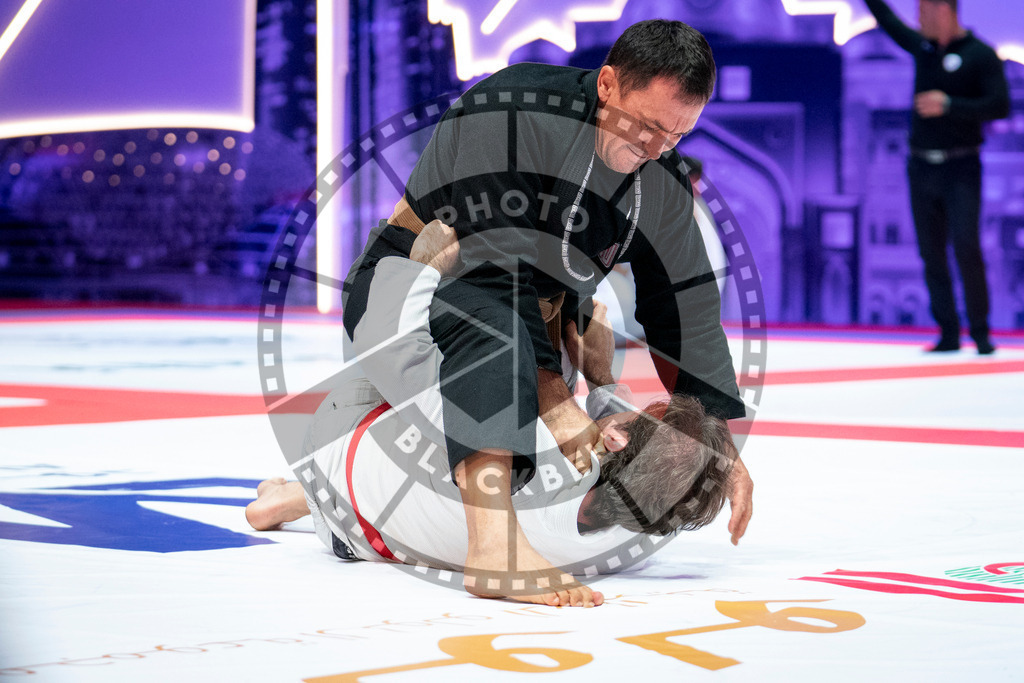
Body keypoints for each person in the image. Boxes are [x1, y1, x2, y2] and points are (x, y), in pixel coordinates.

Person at [341, 20, 753, 583]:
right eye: (649, 128)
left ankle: (308, 495)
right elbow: (493, 267)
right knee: (501, 342)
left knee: (561, 434)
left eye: (677, 137)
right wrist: (557, 400)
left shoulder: (660, 174)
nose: (657, 150)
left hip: (541, 317)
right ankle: (492, 547)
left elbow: (684, 307)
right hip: (429, 277)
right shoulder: (511, 109)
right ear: (607, 84)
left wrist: (718, 443)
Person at [249, 222, 735, 608]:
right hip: (351, 539)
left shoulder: (517, 440)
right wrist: (604, 383)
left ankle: (306, 487)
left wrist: (424, 270)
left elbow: (394, 347)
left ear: (615, 439)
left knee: (508, 349)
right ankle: (298, 496)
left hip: (335, 438)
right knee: (551, 371)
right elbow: (640, 466)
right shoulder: (630, 548)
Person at [864, 0, 1010, 354]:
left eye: (923, 11)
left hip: (962, 167)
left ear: (943, 10)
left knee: (966, 245)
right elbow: (888, 20)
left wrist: (949, 104)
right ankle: (947, 332)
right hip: (921, 167)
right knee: (931, 252)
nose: (917, 18)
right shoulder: (923, 48)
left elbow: (999, 104)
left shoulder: (980, 55)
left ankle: (981, 333)